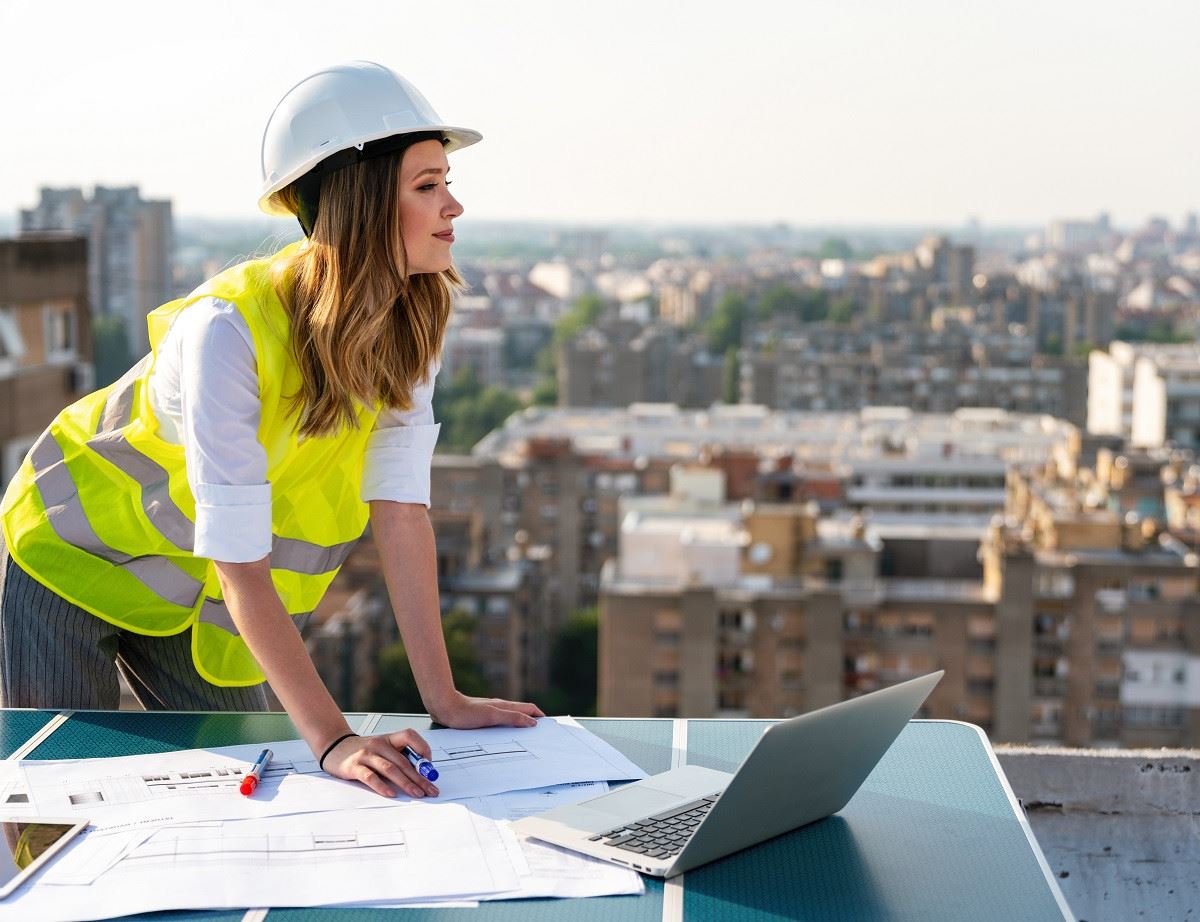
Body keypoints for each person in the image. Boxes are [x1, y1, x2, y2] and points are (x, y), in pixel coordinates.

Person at [0, 61, 543, 799]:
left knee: (251, 792)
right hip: (74, 557)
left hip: (203, 603)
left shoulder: (411, 327)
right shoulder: (226, 332)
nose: (454, 205)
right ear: (361, 204)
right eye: (427, 186)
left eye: (446, 181)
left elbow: (402, 513)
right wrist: (336, 740)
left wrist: (443, 700)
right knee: (58, 798)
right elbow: (241, 565)